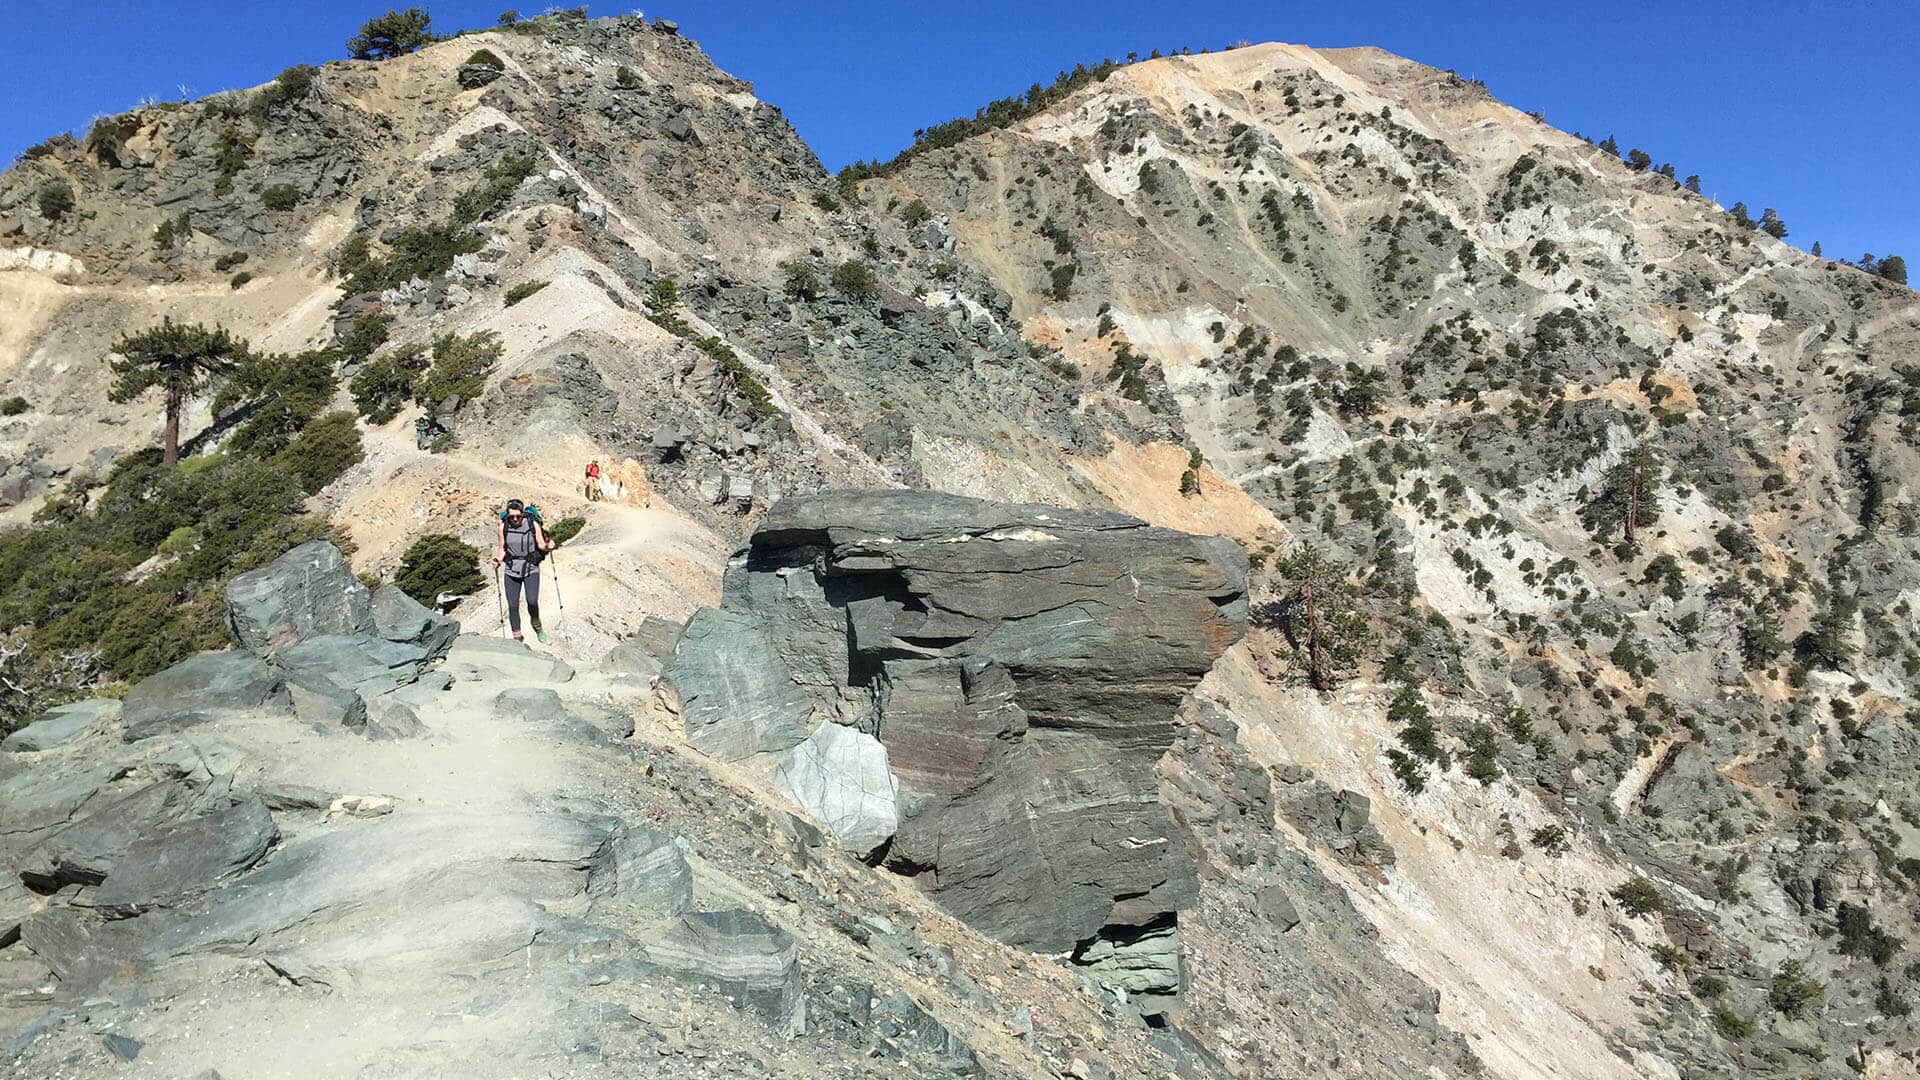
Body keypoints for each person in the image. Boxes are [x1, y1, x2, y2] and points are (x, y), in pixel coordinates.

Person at [492, 498, 553, 643]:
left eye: (518, 516)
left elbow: (541, 544)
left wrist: (549, 546)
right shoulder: (503, 527)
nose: (514, 519)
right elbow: (502, 549)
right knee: (512, 605)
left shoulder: (533, 525)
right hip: (511, 569)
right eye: (511, 516)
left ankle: (538, 627)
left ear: (522, 514)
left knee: (532, 601)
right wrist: (497, 560)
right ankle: (517, 638)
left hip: (531, 567)